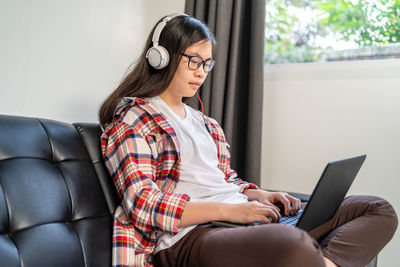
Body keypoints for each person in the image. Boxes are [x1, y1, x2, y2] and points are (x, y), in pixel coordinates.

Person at [99, 13, 398, 267]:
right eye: (193, 61)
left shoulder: (205, 123)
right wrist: (232, 211)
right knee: (290, 241)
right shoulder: (135, 117)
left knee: (376, 208)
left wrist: (260, 195)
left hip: (238, 220)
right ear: (161, 57)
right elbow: (143, 205)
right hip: (190, 236)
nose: (201, 73)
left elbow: (224, 180)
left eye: (207, 63)